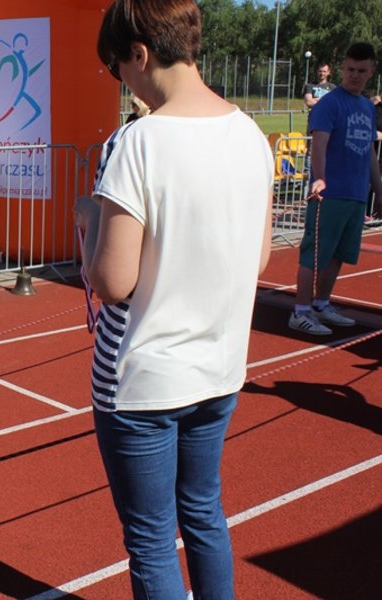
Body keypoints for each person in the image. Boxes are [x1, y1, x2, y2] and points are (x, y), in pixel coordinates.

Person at [80, 1, 274, 597]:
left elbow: (113, 281)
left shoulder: (139, 144)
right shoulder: (250, 134)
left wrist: (89, 224)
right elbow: (260, 257)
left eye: (117, 68)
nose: (122, 82)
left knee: (150, 539)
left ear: (140, 55)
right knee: (205, 515)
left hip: (143, 379)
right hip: (219, 369)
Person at [288, 43, 382, 335]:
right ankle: (300, 310)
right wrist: (320, 178)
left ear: (371, 71)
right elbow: (319, 145)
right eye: (350, 69)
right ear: (343, 67)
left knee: (339, 254)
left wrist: (378, 187)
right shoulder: (330, 104)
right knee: (315, 254)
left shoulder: (367, 107)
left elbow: (368, 152)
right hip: (330, 193)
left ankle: (321, 304)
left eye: (361, 71)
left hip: (355, 194)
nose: (355, 75)